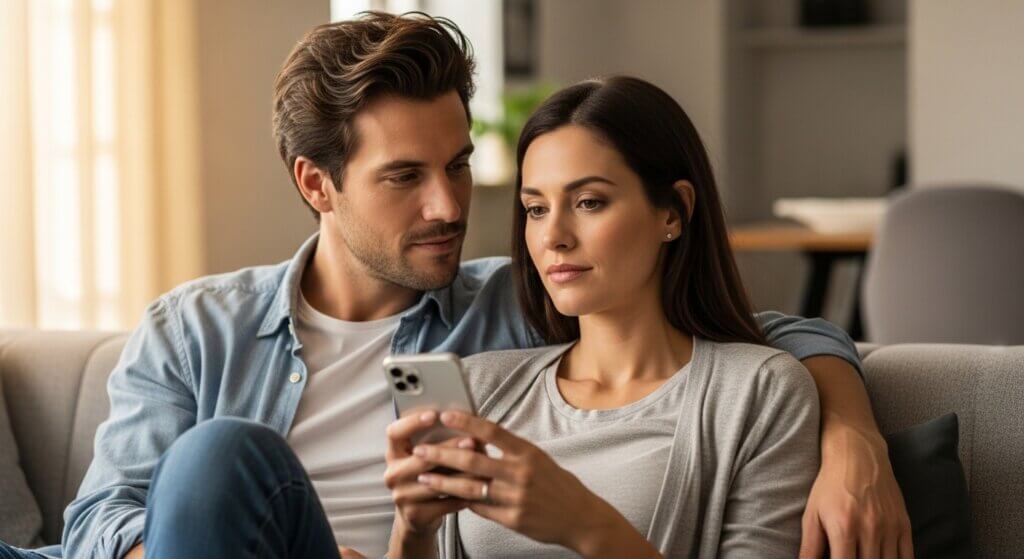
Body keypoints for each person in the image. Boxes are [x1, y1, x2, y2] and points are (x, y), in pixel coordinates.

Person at [0, 12, 909, 559]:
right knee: (212, 468)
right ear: (316, 184)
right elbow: (103, 519)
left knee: (215, 451)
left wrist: (852, 430)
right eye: (404, 177)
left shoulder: (512, 307)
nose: (449, 205)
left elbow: (755, 328)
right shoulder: (196, 326)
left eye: (460, 164)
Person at [383, 75, 902, 558]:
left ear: (672, 213)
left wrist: (584, 524)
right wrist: (414, 529)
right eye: (536, 209)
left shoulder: (758, 392)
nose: (553, 236)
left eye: (588, 202)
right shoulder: (481, 384)